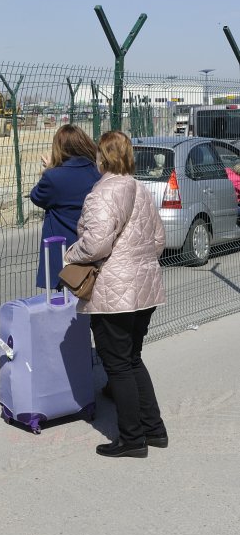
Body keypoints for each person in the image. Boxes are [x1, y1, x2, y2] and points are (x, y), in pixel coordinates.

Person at [64, 130, 168, 459]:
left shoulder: (102, 193)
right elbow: (158, 240)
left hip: (114, 293)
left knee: (118, 365)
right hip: (145, 287)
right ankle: (154, 429)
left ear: (103, 157)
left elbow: (95, 245)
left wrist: (70, 254)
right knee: (132, 359)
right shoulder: (140, 189)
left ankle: (132, 439)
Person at [29, 125, 101, 290]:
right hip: (92, 247)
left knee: (65, 300)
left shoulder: (53, 177)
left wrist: (50, 169)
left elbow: (36, 196)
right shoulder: (97, 172)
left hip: (64, 253)